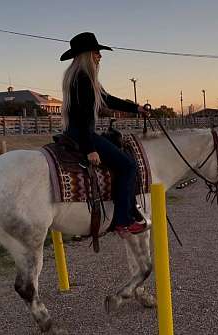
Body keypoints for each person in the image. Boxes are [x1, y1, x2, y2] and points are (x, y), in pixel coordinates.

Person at [60, 32, 147, 235]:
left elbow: (108, 100)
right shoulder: (83, 79)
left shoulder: (82, 79)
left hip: (75, 132)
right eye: (97, 52)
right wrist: (90, 148)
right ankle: (122, 220)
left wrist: (136, 108)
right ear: (87, 55)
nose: (100, 56)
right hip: (83, 135)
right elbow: (82, 116)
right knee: (128, 165)